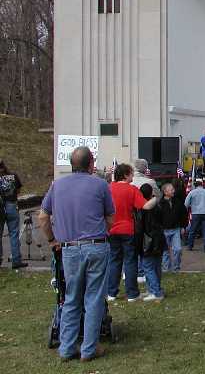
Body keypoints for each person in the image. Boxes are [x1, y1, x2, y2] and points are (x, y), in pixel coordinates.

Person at [38, 146, 114, 362]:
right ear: (91, 164)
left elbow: (43, 217)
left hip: (69, 248)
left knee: (70, 298)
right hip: (96, 245)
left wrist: (52, 240)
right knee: (94, 297)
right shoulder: (100, 184)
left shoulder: (57, 185)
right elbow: (110, 217)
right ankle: (89, 349)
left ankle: (66, 348)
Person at [106, 163, 157, 302]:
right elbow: (145, 206)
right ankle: (132, 293)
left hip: (111, 229)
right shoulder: (132, 189)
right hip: (128, 229)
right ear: (126, 175)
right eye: (131, 173)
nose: (133, 176)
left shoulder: (109, 188)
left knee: (114, 260)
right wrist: (155, 198)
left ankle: (111, 292)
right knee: (130, 261)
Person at [138, 184, 166, 301]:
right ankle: (153, 289)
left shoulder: (144, 208)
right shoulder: (158, 206)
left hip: (148, 239)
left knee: (148, 266)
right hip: (159, 237)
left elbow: (142, 225)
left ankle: (155, 291)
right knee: (156, 266)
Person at [0, 160, 27, 268]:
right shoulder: (13, 176)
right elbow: (19, 190)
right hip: (12, 206)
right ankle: (16, 260)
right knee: (14, 234)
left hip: (0, 207)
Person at [159, 182, 188, 272]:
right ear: (165, 191)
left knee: (178, 249)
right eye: (171, 189)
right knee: (165, 252)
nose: (173, 191)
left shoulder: (177, 201)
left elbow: (183, 214)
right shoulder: (160, 204)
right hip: (164, 230)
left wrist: (183, 226)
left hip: (176, 229)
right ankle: (166, 269)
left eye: (173, 189)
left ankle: (176, 268)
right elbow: (157, 217)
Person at [185, 180, 205, 253]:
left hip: (195, 213)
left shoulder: (192, 192)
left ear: (195, 186)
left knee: (193, 230)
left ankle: (190, 246)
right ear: (202, 185)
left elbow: (186, 203)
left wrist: (189, 207)